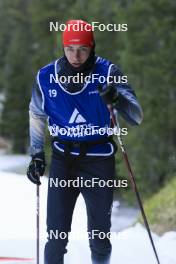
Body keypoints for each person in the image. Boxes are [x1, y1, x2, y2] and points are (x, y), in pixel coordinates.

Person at [27, 20, 143, 264]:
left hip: (98, 159)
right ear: (63, 47)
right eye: (70, 48)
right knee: (56, 237)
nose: (76, 55)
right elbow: (37, 114)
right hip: (63, 159)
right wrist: (37, 155)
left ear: (92, 47)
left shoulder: (108, 72)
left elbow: (136, 116)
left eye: (82, 49)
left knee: (99, 238)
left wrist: (117, 99)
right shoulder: (46, 77)